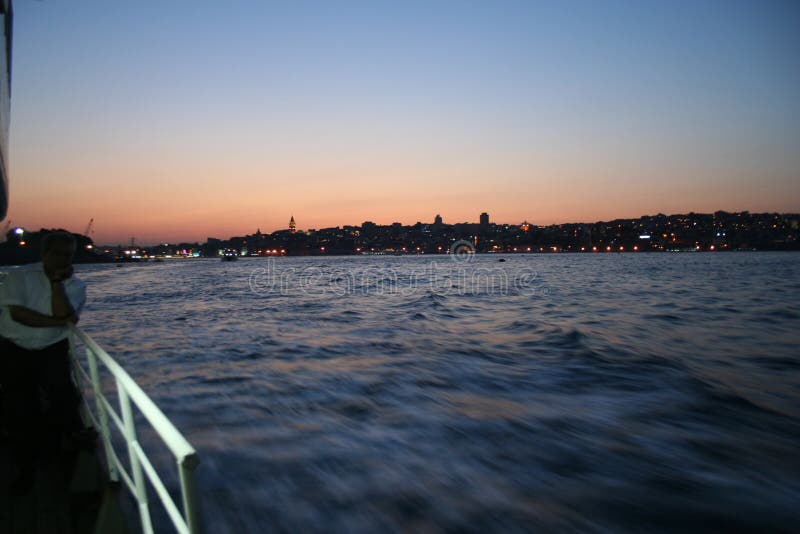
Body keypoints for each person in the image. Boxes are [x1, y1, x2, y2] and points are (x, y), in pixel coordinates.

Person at [0, 231, 90, 490]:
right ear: (44, 254)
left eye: (69, 255)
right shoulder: (19, 277)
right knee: (18, 407)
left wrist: (56, 284)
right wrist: (58, 322)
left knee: (64, 401)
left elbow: (66, 315)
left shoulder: (75, 285)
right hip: (14, 349)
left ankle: (64, 459)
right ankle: (24, 466)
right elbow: (19, 315)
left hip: (52, 349)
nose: (63, 259)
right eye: (58, 253)